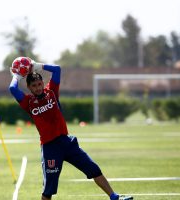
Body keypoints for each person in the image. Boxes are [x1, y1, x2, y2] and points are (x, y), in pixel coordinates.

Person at [9, 58, 133, 200]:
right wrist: (17, 75)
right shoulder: (28, 103)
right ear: (29, 88)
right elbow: (12, 89)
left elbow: (57, 69)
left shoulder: (52, 93)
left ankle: (114, 197)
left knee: (93, 168)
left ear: (43, 83)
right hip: (50, 148)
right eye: (34, 86)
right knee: (48, 190)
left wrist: (36, 65)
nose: (37, 87)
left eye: (39, 84)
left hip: (67, 143)